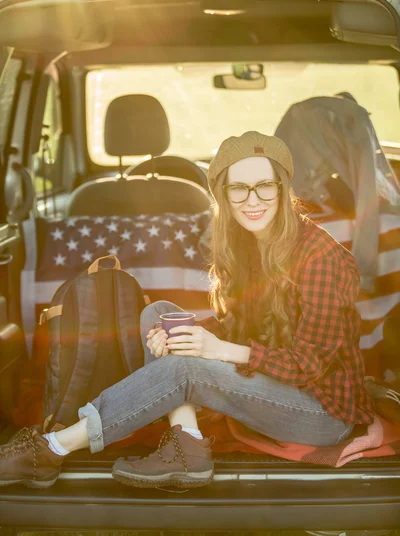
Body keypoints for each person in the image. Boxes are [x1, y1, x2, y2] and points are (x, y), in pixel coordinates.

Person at [0, 131, 375, 490]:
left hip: (322, 412)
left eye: (265, 186)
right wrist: (183, 339)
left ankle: (51, 449)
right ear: (224, 197)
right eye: (238, 188)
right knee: (160, 315)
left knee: (184, 368)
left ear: (282, 189)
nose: (252, 200)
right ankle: (187, 443)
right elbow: (234, 327)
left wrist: (212, 351)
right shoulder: (246, 247)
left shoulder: (322, 258)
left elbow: (308, 365)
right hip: (272, 384)